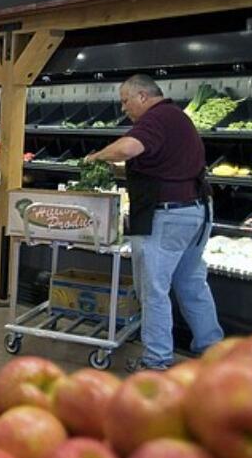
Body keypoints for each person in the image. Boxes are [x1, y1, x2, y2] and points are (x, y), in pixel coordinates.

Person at [84, 74, 223, 371]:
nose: (124, 108)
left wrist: (95, 157)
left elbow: (127, 149)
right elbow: (161, 164)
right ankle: (214, 353)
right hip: (196, 211)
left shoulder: (155, 119)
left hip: (167, 216)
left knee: (154, 290)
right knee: (192, 285)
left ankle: (156, 360)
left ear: (143, 96)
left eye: (125, 100)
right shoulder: (178, 118)